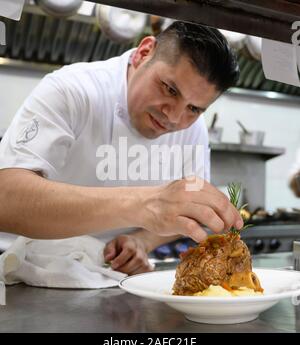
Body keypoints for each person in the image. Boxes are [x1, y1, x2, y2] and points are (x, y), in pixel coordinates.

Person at [0, 21, 243, 275]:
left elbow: (191, 209)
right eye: (170, 89)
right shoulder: (73, 89)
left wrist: (142, 240)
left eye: (194, 108)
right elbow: (6, 198)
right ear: (144, 52)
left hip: (110, 277)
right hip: (25, 270)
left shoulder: (194, 129)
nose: (174, 117)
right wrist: (143, 205)